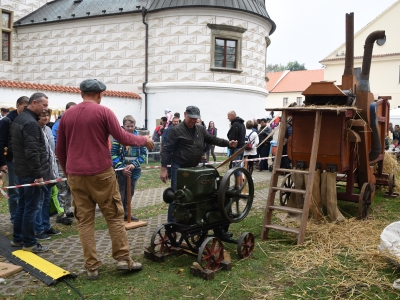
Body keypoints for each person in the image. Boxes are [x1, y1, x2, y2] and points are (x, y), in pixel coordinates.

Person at [56, 79, 154, 280]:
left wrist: (69, 173)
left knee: (84, 222)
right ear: (100, 94)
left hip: (76, 175)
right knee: (114, 216)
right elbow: (124, 137)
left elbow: (60, 149)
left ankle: (91, 267)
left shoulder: (67, 115)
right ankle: (123, 259)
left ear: (82, 93)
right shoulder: (104, 112)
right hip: (100, 172)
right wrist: (144, 140)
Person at [160, 106, 237, 223]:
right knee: (177, 196)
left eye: (195, 119)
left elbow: (212, 139)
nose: (192, 121)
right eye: (191, 118)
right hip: (179, 167)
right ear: (185, 114)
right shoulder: (176, 130)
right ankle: (172, 224)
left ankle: (188, 219)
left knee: (192, 195)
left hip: (194, 168)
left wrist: (228, 143)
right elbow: (166, 150)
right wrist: (164, 169)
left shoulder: (200, 129)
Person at [11, 92, 50, 253]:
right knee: (31, 208)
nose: (45, 109)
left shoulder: (20, 119)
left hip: (21, 170)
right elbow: (32, 151)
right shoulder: (31, 123)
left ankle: (17, 238)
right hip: (30, 172)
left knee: (23, 205)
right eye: (44, 105)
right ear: (34, 103)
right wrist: (38, 174)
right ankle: (29, 243)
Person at [111, 115, 147, 221]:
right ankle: (119, 215)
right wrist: (122, 168)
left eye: (132, 126)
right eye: (128, 126)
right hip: (121, 171)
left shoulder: (139, 138)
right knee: (120, 193)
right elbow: (113, 154)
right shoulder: (119, 138)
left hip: (134, 170)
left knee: (130, 193)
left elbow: (144, 154)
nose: (130, 128)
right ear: (124, 126)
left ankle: (127, 213)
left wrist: (134, 164)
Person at [0, 96, 29, 224]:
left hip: (25, 160)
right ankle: (14, 218)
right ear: (18, 105)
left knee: (24, 190)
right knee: (13, 191)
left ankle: (21, 216)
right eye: (24, 107)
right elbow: (0, 142)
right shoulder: (6, 121)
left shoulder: (27, 120)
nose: (26, 110)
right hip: (11, 160)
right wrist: (1, 162)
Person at [35, 109, 61, 240]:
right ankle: (38, 229)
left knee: (47, 200)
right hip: (40, 171)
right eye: (42, 115)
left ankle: (46, 226)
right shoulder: (34, 130)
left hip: (51, 170)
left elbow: (52, 152)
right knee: (39, 202)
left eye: (47, 115)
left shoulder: (49, 129)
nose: (45, 118)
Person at [53, 102, 76, 225]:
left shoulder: (75, 124)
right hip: (61, 160)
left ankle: (67, 210)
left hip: (71, 160)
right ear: (66, 111)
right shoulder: (58, 124)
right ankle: (61, 214)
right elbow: (57, 144)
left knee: (70, 187)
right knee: (62, 188)